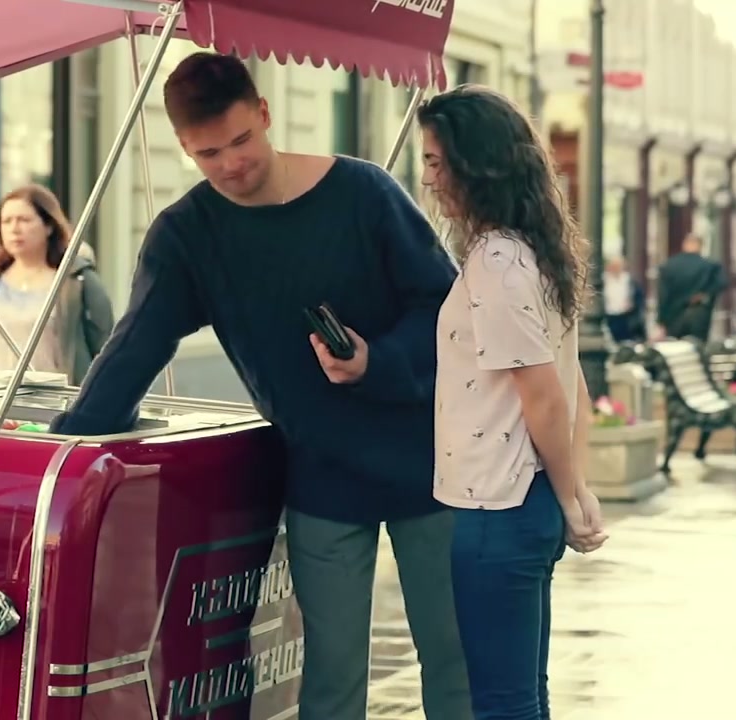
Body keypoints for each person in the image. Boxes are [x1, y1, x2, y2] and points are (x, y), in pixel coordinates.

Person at [49, 52, 471, 719]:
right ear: (185, 147)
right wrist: (65, 449)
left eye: (241, 140)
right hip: (321, 477)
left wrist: (378, 362)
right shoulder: (187, 234)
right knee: (331, 674)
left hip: (430, 462)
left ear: (266, 114)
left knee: (454, 660)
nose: (230, 164)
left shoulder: (364, 193)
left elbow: (445, 309)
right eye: (207, 153)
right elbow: (135, 346)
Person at [421, 85, 608, 720]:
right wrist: (572, 492)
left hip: (496, 506)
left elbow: (548, 398)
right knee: (525, 697)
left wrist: (571, 499)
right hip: (519, 502)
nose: (430, 178)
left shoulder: (497, 263)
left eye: (438, 162)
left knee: (503, 705)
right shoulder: (531, 252)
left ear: (477, 165)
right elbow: (572, 384)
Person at [0, 184, 114, 385]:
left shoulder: (77, 281)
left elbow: (105, 347)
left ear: (49, 226)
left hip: (57, 401)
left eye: (24, 220)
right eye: (7, 221)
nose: (14, 229)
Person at [656, 233, 726, 342]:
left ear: (684, 245)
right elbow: (721, 283)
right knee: (697, 345)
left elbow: (663, 295)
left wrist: (661, 321)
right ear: (700, 246)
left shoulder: (669, 266)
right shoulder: (709, 266)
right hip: (699, 313)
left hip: (674, 316)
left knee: (675, 346)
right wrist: (705, 294)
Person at [602, 255, 645, 343]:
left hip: (626, 317)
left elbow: (639, 298)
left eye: (618, 266)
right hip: (610, 317)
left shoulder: (629, 280)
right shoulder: (604, 280)